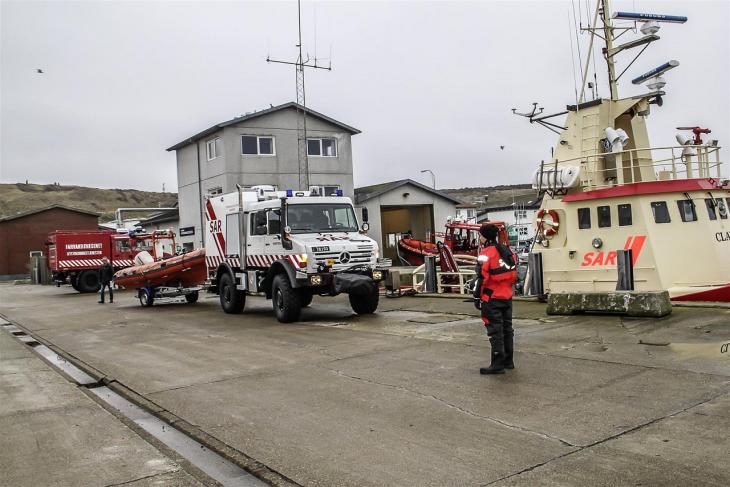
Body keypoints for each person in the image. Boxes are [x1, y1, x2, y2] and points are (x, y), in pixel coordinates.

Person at [472, 224, 518, 374]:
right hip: (507, 296)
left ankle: (497, 364)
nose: (479, 238)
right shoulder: (508, 250)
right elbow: (514, 274)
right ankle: (508, 361)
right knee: (507, 329)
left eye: (480, 236)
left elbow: (482, 278)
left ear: (485, 237)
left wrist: (477, 296)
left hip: (491, 298)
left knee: (495, 330)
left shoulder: (485, 253)